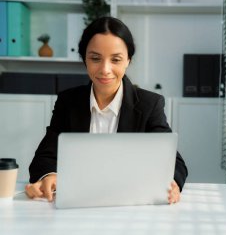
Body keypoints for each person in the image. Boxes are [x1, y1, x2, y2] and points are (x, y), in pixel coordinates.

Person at [25, 17, 188, 204]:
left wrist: (172, 183)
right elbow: (45, 156)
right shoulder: (68, 101)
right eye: (95, 58)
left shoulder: (149, 104)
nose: (105, 69)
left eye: (116, 59)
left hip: (130, 205)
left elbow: (175, 162)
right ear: (84, 58)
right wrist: (49, 175)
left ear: (128, 60)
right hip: (78, 203)